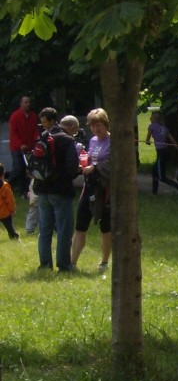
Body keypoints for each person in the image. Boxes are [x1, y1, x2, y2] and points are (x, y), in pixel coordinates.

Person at [33, 107, 80, 272]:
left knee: (44, 230)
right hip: (60, 191)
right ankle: (64, 265)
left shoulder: (42, 138)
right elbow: (72, 168)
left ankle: (45, 265)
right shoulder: (67, 140)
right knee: (63, 230)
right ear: (56, 120)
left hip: (42, 189)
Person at [70, 108, 112, 273]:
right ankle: (72, 263)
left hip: (105, 190)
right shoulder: (93, 141)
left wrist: (95, 167)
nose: (96, 129)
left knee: (105, 227)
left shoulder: (113, 142)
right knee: (80, 224)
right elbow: (89, 158)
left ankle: (104, 262)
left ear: (106, 124)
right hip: (89, 188)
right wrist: (84, 162)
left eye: (99, 125)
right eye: (93, 126)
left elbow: (114, 164)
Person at [8, 95, 39, 199]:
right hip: (17, 147)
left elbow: (35, 131)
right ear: (21, 104)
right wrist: (20, 144)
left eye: (29, 102)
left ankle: (24, 192)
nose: (28, 104)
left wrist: (36, 141)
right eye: (25, 102)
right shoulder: (15, 116)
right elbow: (13, 133)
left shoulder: (33, 116)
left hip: (29, 147)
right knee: (18, 168)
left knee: (28, 169)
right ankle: (6, 188)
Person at [145, 111, 178, 194]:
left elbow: (147, 140)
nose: (150, 118)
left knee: (162, 177)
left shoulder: (151, 127)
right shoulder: (164, 128)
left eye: (151, 117)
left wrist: (148, 142)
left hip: (160, 153)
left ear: (154, 119)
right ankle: (154, 193)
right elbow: (173, 141)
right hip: (165, 152)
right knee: (154, 172)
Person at [0, 162, 19, 240]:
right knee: (10, 228)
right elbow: (10, 200)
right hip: (5, 213)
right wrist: (12, 210)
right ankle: (14, 237)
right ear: (3, 174)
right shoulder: (5, 187)